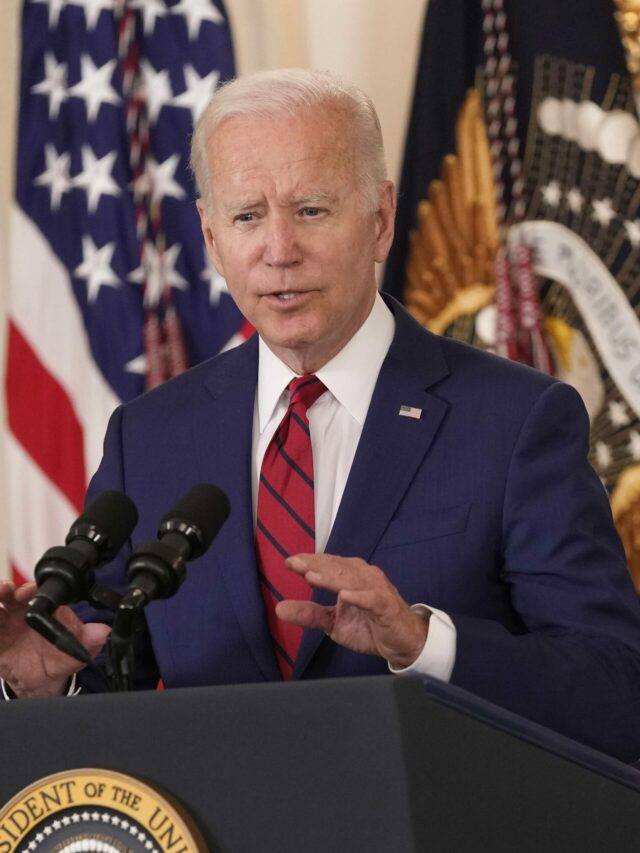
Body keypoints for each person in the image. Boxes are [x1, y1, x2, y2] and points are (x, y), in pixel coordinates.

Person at [1, 69, 639, 762]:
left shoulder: (517, 421)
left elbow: (618, 693)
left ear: (381, 219)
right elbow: (103, 676)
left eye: (311, 209)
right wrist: (42, 687)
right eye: (248, 215)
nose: (279, 249)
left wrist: (427, 644)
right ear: (212, 239)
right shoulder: (150, 435)